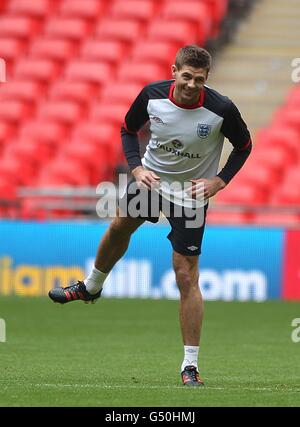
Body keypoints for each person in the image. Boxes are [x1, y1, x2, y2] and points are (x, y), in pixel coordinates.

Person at [49, 45, 252, 387]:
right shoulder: (151, 95)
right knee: (118, 227)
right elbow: (128, 130)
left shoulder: (221, 108)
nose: (191, 85)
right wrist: (136, 167)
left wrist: (219, 181)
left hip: (189, 197)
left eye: (198, 80)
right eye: (186, 76)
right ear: (174, 71)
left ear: (207, 79)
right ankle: (91, 287)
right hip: (151, 182)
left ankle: (190, 366)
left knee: (185, 276)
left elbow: (244, 146)